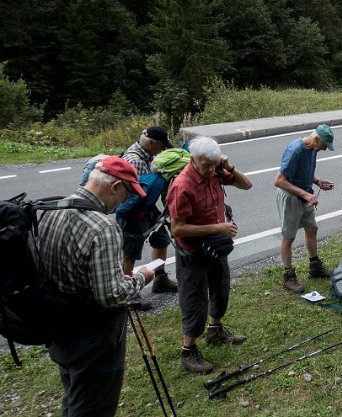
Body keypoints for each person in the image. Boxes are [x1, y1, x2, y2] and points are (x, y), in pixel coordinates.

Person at [37, 156, 155, 417]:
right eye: (126, 193)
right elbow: (110, 295)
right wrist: (141, 277)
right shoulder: (102, 227)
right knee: (93, 405)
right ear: (114, 187)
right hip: (93, 336)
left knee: (75, 394)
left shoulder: (51, 209)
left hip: (59, 326)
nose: (125, 201)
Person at [166, 136, 252, 374]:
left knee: (221, 287)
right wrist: (218, 228)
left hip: (215, 246)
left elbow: (247, 185)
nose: (210, 169)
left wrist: (228, 167)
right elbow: (178, 228)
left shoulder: (215, 172)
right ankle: (188, 350)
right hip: (192, 252)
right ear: (194, 159)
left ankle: (215, 330)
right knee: (195, 300)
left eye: (214, 164)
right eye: (207, 165)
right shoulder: (182, 185)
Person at [274, 124, 336, 293]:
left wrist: (317, 182)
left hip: (304, 194)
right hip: (290, 197)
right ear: (316, 139)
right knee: (289, 236)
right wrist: (306, 194)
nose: (323, 150)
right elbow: (279, 180)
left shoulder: (312, 149)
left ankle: (314, 266)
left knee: (312, 228)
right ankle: (288, 275)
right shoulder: (295, 150)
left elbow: (306, 170)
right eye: (323, 146)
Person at [121, 127, 178, 303]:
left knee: (161, 239)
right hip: (133, 211)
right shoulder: (134, 160)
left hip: (146, 207)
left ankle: (160, 279)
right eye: (161, 146)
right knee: (130, 251)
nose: (161, 150)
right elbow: (141, 191)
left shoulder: (146, 156)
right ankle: (127, 292)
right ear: (151, 143)